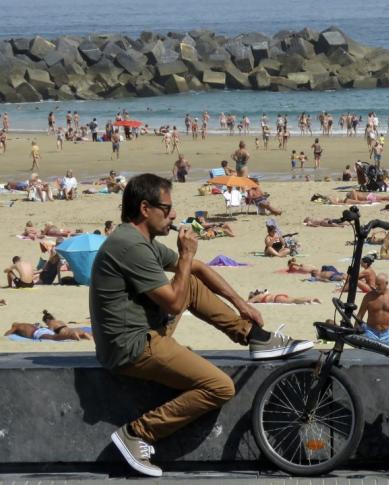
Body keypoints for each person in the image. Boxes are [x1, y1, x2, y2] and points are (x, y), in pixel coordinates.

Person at [89, 173, 312, 477]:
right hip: (133, 347)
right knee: (220, 386)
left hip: (143, 332)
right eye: (167, 209)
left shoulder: (143, 241)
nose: (174, 215)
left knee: (190, 281)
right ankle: (138, 433)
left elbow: (196, 269)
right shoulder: (130, 246)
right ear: (145, 208)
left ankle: (254, 337)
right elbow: (174, 303)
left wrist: (243, 305)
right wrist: (186, 254)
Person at [356, 273, 389, 346]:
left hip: (388, 333)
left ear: (386, 283)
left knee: (387, 356)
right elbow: (360, 315)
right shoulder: (368, 297)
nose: (376, 287)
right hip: (371, 332)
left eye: (379, 285)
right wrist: (355, 331)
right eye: (376, 284)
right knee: (369, 355)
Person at [247, 289, 321, 304]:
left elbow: (247, 302)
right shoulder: (263, 294)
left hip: (276, 299)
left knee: (294, 300)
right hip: (278, 296)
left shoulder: (258, 297)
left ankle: (309, 299)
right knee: (295, 299)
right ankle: (312, 299)